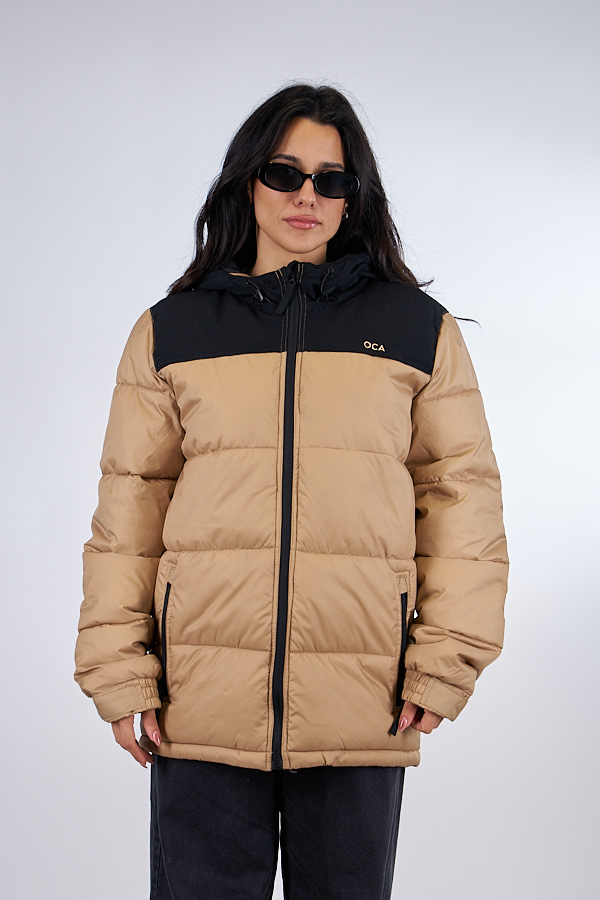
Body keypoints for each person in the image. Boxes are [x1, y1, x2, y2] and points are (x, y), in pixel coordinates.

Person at [75, 83, 508, 899]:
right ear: (248, 182)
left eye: (330, 179)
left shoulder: (417, 330)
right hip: (199, 700)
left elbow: (463, 502)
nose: (307, 195)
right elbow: (129, 512)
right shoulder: (173, 330)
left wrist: (445, 660)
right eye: (285, 173)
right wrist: (119, 670)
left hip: (363, 700)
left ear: (353, 197)